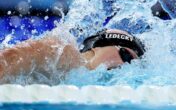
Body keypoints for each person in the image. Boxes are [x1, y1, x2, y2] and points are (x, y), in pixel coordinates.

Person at [0, 29, 145, 83]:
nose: (125, 66)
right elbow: (10, 58)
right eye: (126, 56)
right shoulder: (63, 53)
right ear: (99, 47)